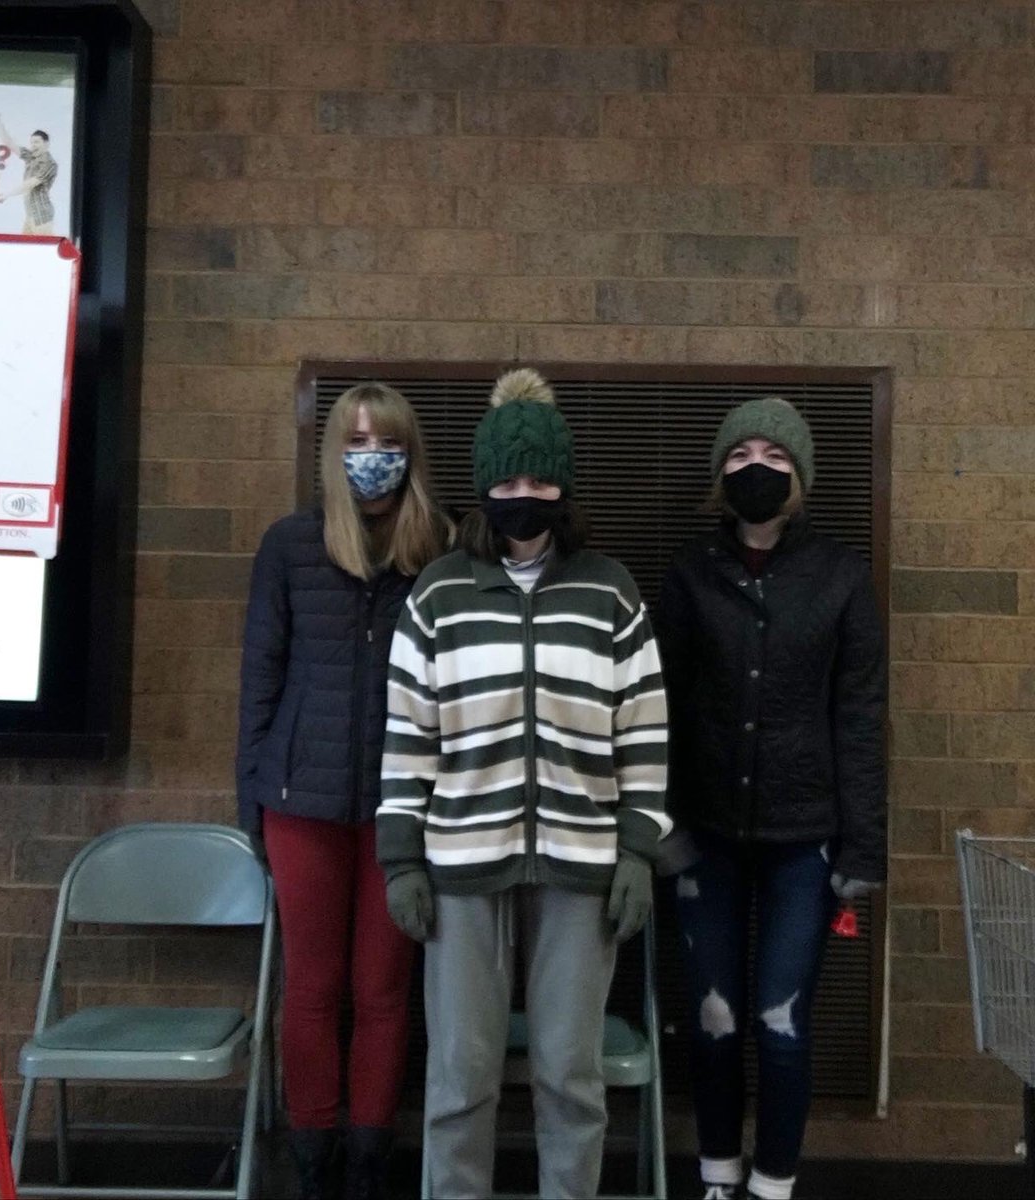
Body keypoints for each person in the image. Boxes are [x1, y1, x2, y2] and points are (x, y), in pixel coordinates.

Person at [377, 368, 670, 1200]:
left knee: (571, 1083)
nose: (523, 495)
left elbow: (644, 731)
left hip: (583, 871)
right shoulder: (438, 596)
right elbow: (406, 736)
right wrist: (401, 859)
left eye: (540, 478)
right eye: (507, 479)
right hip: (462, 870)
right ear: (484, 487)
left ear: (562, 485)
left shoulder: (610, 593)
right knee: (459, 1081)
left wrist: (638, 851)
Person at [655, 397, 887, 1200]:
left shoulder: (842, 575)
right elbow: (658, 710)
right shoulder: (689, 575)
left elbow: (859, 717)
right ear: (720, 473)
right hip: (703, 839)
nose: (758, 465)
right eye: (741, 453)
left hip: (805, 843)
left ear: (801, 476)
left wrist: (863, 850)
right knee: (714, 1025)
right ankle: (718, 1176)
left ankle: (773, 1185)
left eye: (776, 455)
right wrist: (660, 825)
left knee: (782, 1030)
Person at [237, 383, 447, 1200]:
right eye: (355, 439)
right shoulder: (290, 546)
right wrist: (249, 799)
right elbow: (260, 677)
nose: (372, 456)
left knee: (385, 993)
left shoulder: (440, 553)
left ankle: (369, 1161)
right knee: (314, 988)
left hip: (403, 810)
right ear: (334, 451)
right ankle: (314, 1160)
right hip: (300, 803)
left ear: (410, 453)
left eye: (387, 440)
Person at [0, 114, 59, 234]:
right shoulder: (31, 157)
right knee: (25, 247)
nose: (33, 145)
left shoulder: (49, 163)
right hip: (31, 214)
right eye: (32, 142)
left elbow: (29, 184)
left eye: (37, 142)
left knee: (42, 250)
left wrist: (6, 195)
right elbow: (10, 144)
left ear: (46, 143)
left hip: (41, 216)